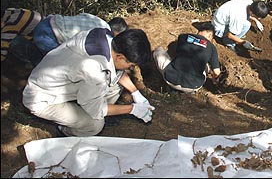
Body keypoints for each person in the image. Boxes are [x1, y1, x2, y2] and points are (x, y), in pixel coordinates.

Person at [22, 28, 153, 137]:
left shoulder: (103, 35)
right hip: (42, 98)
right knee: (95, 125)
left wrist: (135, 93)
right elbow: (96, 110)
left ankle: (85, 110)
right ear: (120, 57)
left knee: (115, 85)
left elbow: (116, 72)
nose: (130, 68)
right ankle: (66, 132)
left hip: (60, 81)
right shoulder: (93, 69)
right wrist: (132, 109)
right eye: (130, 65)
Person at [152, 22, 221, 93]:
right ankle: (189, 92)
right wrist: (214, 80)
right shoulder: (212, 48)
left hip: (171, 79)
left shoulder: (183, 36)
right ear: (210, 35)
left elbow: (178, 53)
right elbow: (217, 72)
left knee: (158, 51)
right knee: (206, 65)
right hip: (193, 86)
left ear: (199, 31)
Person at [32, 13, 128, 56]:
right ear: (117, 33)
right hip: (50, 36)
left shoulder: (96, 19)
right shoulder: (104, 35)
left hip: (47, 22)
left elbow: (80, 16)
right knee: (54, 65)